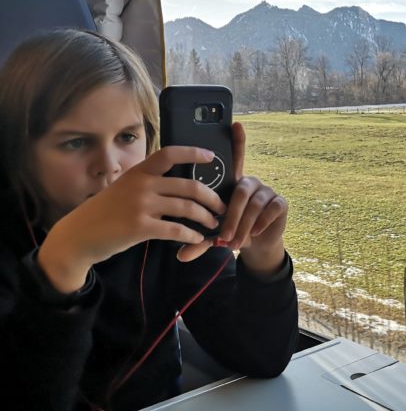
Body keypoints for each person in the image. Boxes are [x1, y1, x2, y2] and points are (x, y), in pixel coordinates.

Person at [0, 29, 299, 410]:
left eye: (127, 137)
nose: (109, 167)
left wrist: (265, 255)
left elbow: (263, 356)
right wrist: (66, 257)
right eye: (75, 142)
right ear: (20, 149)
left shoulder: (170, 224)